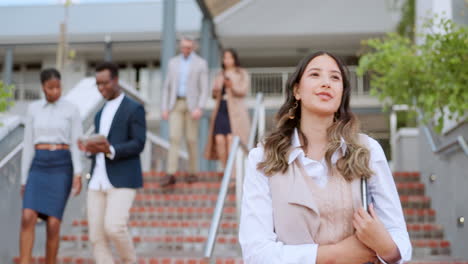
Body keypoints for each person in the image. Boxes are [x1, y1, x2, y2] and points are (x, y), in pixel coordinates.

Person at [239, 52, 412, 264]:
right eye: (315, 75)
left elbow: (399, 238)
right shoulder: (263, 158)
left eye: (335, 78)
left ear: (342, 94)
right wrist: (335, 255)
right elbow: (256, 254)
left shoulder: (367, 151)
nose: (326, 83)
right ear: (297, 90)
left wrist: (385, 246)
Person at [79, 62, 146, 264]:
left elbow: (139, 143)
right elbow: (100, 146)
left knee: (114, 228)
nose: (101, 88)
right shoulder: (99, 114)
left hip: (123, 178)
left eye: (105, 83)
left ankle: (129, 261)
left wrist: (112, 150)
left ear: (116, 80)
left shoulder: (134, 108)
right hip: (97, 181)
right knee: (96, 238)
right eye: (98, 84)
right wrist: (89, 149)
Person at [19, 68, 83, 264]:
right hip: (39, 164)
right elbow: (28, 144)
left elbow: (76, 142)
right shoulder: (33, 109)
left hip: (61, 166)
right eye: (50, 88)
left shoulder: (71, 109)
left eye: (58, 87)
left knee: (53, 224)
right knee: (28, 216)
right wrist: (23, 179)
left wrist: (78, 173)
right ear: (43, 88)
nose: (55, 91)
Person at [160, 36, 209, 187]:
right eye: (183, 47)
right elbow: (167, 86)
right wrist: (164, 107)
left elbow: (204, 88)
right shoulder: (173, 63)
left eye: (188, 47)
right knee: (174, 137)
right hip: (176, 103)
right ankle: (171, 173)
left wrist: (200, 107)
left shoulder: (201, 63)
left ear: (193, 47)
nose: (185, 50)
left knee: (191, 139)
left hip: (192, 105)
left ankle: (193, 172)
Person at [205, 48, 251, 168]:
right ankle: (226, 170)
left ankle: (233, 173)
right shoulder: (220, 74)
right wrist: (216, 90)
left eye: (229, 57)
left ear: (234, 59)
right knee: (219, 140)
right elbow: (215, 96)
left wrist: (232, 86)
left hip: (235, 111)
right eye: (225, 58)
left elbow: (243, 91)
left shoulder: (241, 73)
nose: (227, 60)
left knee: (232, 140)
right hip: (221, 109)